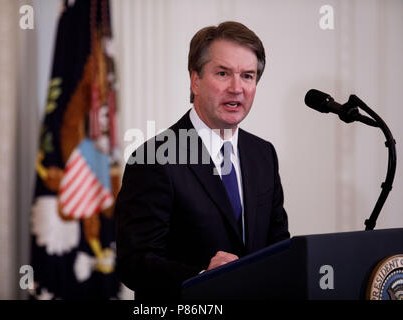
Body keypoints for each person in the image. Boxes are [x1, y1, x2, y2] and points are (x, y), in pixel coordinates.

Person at [115, 21, 290, 300]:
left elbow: (279, 246)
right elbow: (134, 263)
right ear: (195, 80)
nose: (237, 88)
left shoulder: (263, 154)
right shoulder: (153, 159)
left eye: (248, 76)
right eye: (223, 73)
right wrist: (201, 276)